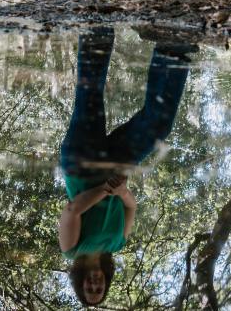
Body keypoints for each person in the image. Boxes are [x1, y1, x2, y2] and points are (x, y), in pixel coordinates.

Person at [58, 27, 195, 306]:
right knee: (158, 126)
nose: (94, 285)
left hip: (81, 162)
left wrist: (107, 190)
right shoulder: (116, 244)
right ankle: (172, 50)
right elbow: (131, 207)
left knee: (90, 95)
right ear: (106, 283)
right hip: (114, 169)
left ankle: (97, 29)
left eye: (89, 289)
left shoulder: (71, 250)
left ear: (80, 282)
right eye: (99, 289)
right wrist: (120, 192)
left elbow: (73, 209)